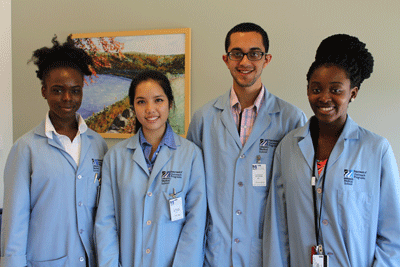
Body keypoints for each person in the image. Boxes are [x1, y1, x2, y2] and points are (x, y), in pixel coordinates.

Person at [263, 34, 400, 266]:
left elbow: (392, 235)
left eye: (336, 90)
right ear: (308, 91)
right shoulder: (288, 148)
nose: (325, 97)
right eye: (316, 89)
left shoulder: (376, 150)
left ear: (352, 93)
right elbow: (277, 226)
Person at [186, 22, 306, 266]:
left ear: (266, 59)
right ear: (226, 58)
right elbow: (192, 191)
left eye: (254, 53)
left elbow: (297, 195)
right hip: (215, 252)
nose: (245, 62)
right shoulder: (203, 118)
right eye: (236, 53)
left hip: (268, 252)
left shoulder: (291, 119)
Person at [0, 36, 108, 267]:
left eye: (75, 90)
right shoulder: (26, 148)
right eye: (57, 90)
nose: (67, 98)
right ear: (44, 91)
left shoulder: (98, 145)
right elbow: (14, 221)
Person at [95, 70, 207, 267]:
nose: (150, 109)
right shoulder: (115, 157)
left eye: (158, 100)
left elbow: (195, 223)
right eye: (141, 102)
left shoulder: (191, 156)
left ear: (170, 104)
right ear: (133, 107)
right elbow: (106, 222)